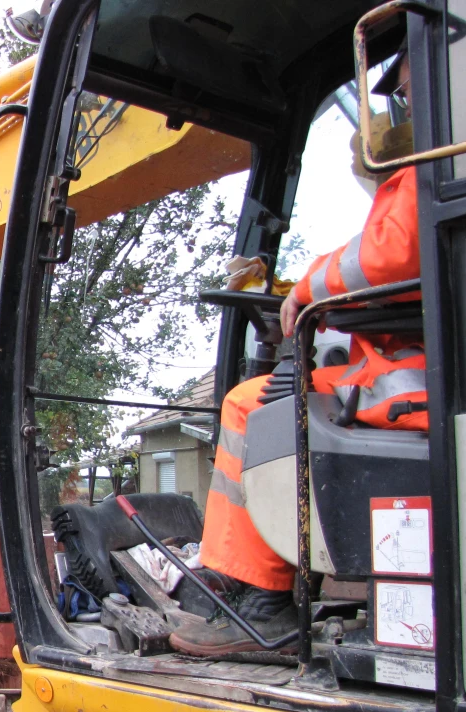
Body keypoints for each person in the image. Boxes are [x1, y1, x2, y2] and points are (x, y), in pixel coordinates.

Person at [170, 49, 424, 658]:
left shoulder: (434, 171)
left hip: (415, 384)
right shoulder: (432, 170)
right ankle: (246, 582)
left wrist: (309, 289)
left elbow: (389, 257)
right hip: (421, 365)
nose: (407, 109)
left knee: (250, 406)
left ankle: (262, 600)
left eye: (416, 93)